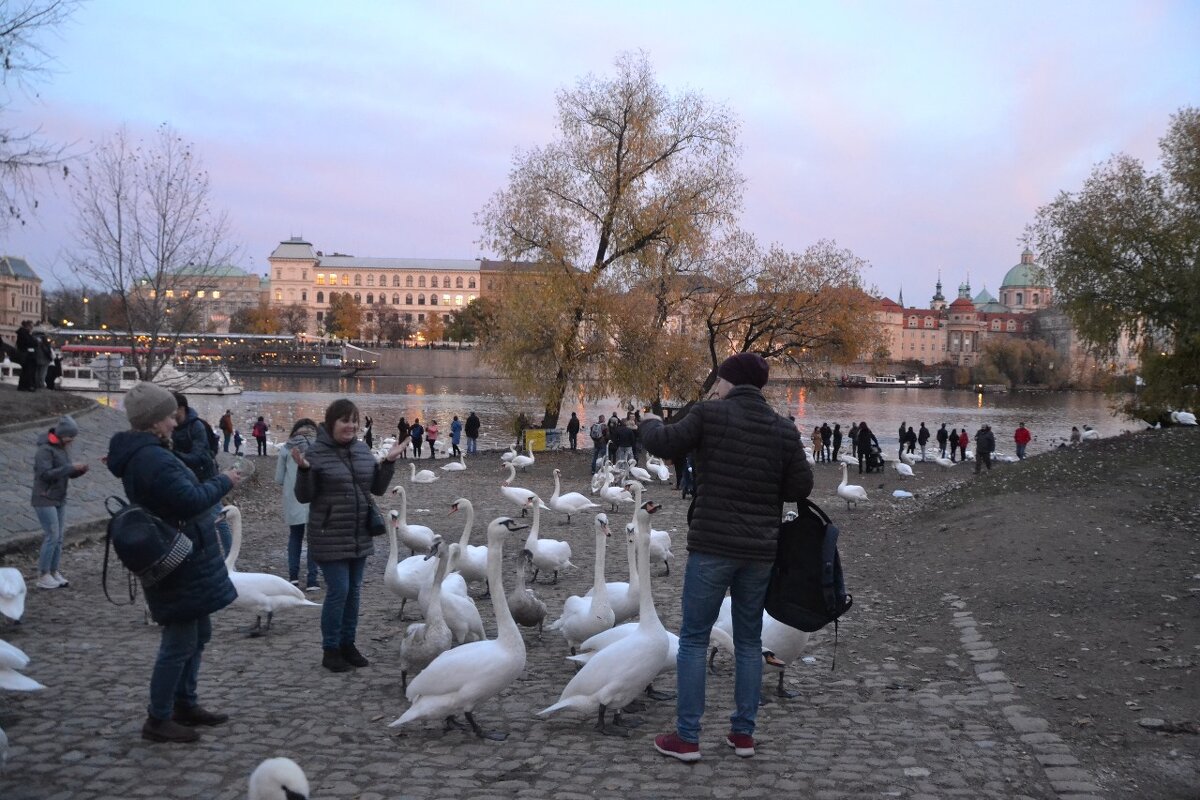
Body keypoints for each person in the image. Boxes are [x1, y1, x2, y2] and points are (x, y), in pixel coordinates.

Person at [640, 352, 812, 762]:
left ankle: (687, 737)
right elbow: (800, 487)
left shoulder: (709, 415)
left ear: (729, 381)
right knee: (750, 643)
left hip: (713, 547)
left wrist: (648, 419)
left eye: (718, 379)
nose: (715, 386)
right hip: (759, 552)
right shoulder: (783, 429)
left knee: (694, 641)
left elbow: (663, 441)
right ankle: (743, 735)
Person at [106, 381, 242, 743]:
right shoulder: (151, 458)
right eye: (168, 416)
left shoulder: (153, 452)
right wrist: (223, 481)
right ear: (152, 421)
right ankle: (159, 717)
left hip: (185, 554)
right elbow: (188, 500)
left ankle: (185, 703)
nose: (174, 422)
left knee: (198, 633)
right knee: (179, 640)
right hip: (176, 558)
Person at [293, 399, 403, 672]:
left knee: (353, 592)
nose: (351, 425)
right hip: (328, 534)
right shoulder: (316, 453)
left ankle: (348, 644)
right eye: (345, 420)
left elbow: (376, 488)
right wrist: (304, 471)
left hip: (358, 533)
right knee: (339, 590)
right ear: (332, 423)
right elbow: (303, 495)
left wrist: (388, 463)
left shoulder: (362, 451)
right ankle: (330, 649)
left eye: (354, 420)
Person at [31, 415, 89, 589]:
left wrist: (79, 471)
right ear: (63, 434)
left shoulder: (62, 448)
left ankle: (54, 571)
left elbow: (65, 472)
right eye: (70, 436)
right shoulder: (45, 450)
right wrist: (70, 468)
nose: (72, 440)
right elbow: (45, 474)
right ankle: (43, 574)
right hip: (44, 497)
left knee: (59, 537)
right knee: (52, 536)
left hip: (59, 498)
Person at [171, 393, 230, 554]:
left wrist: (173, 454)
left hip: (206, 476)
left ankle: (231, 556)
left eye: (171, 409)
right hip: (184, 479)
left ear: (181, 409)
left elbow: (197, 457)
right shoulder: (171, 426)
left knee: (219, 517)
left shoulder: (196, 426)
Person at [276, 418, 320, 592]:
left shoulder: (286, 448)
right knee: (313, 539)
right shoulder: (319, 448)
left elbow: (279, 478)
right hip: (314, 498)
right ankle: (312, 580)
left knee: (295, 537)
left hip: (293, 498)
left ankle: (293, 577)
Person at [15, 319, 36, 391]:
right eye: (31, 327)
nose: (32, 328)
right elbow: (29, 342)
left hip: (25, 354)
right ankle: (25, 386)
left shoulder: (23, 333)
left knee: (26, 371)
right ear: (28, 326)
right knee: (27, 371)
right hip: (26, 355)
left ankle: (24, 386)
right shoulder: (24, 334)